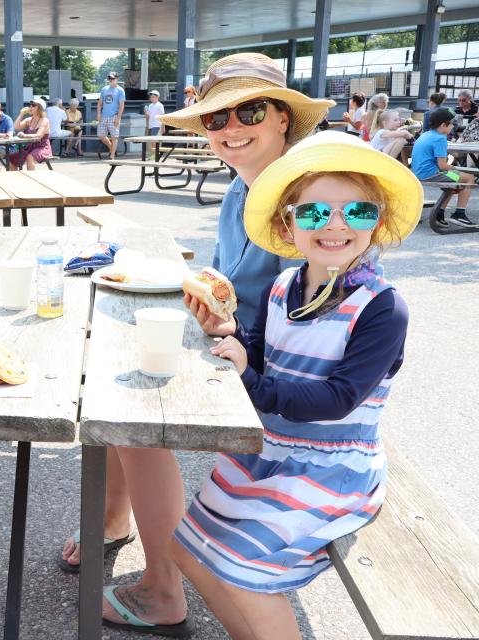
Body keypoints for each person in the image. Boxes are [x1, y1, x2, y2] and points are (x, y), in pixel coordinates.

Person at [57, 52, 332, 635]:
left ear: (283, 117)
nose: (230, 128)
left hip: (290, 376)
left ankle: (162, 590)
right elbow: (228, 282)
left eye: (249, 110)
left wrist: (226, 334)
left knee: (133, 406)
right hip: (237, 344)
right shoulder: (243, 187)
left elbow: (318, 322)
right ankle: (112, 520)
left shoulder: (306, 199)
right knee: (110, 367)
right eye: (215, 118)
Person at [177, 130, 418, 639]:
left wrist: (248, 377)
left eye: (357, 212)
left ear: (378, 221)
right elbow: (263, 356)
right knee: (185, 548)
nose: (334, 226)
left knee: (246, 570)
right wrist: (228, 332)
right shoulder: (281, 286)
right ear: (289, 223)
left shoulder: (381, 308)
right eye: (312, 213)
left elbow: (338, 399)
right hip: (268, 453)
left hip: (331, 467)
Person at [411, 107, 477, 228]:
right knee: (469, 178)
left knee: (455, 180)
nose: (453, 126)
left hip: (418, 173)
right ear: (443, 125)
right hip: (431, 174)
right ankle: (459, 214)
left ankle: (439, 214)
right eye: (452, 124)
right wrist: (456, 169)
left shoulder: (426, 134)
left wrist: (455, 172)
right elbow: (443, 166)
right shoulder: (440, 138)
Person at [9, 97, 52, 171]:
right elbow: (16, 127)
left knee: (30, 157)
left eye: (33, 105)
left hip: (42, 147)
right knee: (11, 158)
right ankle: (18, 177)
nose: (30, 107)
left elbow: (39, 135)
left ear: (40, 108)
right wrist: (21, 114)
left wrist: (25, 135)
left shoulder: (45, 120)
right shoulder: (29, 120)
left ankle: (32, 178)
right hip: (29, 147)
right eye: (30, 105)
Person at [97, 71, 125, 159]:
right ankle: (111, 148)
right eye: (109, 78)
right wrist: (98, 113)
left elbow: (121, 105)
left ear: (117, 79)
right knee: (101, 136)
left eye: (112, 78)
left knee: (114, 137)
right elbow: (100, 102)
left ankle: (112, 155)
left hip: (114, 116)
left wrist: (118, 118)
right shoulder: (104, 89)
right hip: (104, 116)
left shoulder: (120, 90)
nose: (110, 80)